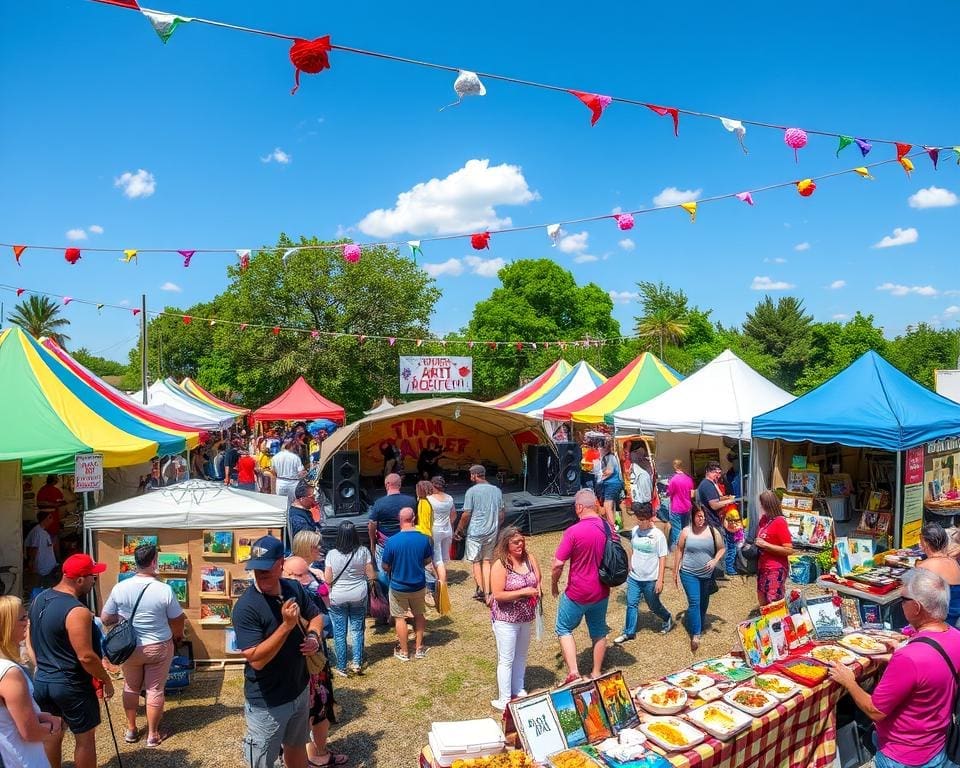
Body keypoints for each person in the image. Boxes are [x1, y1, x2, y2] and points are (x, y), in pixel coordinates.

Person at [829, 569, 960, 768]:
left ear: (916, 607)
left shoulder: (910, 658)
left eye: (903, 600)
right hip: (936, 745)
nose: (901, 605)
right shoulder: (955, 636)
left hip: (902, 754)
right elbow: (933, 674)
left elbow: (874, 711)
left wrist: (849, 681)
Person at [233, 535, 328, 768]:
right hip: (267, 701)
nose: (260, 574)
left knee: (296, 748)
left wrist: (314, 637)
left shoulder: (293, 587)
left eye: (266, 568)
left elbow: (316, 616)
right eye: (256, 569)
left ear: (281, 564)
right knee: (263, 759)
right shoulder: (246, 607)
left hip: (298, 689)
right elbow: (256, 660)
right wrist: (286, 626)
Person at [29, 553, 114, 768]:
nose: (95, 581)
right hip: (71, 684)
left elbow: (29, 638)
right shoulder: (77, 611)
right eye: (93, 577)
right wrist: (105, 678)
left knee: (52, 734)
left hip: (43, 681)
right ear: (79, 580)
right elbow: (85, 656)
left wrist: (41, 665)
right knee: (85, 740)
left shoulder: (40, 598)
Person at [100, 543, 184, 747]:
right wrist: (177, 636)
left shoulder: (120, 587)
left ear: (135, 562)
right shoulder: (164, 589)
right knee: (155, 689)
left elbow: (105, 618)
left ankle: (131, 729)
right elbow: (177, 618)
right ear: (154, 561)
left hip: (129, 647)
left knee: (131, 686)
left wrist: (122, 618)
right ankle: (153, 734)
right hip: (158, 645)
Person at [280, 556, 344, 767]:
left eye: (307, 573)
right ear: (285, 574)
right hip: (296, 670)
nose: (306, 579)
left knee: (322, 707)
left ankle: (319, 751)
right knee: (304, 713)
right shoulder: (281, 599)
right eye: (300, 575)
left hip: (317, 664)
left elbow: (325, 622)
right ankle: (310, 755)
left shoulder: (310, 592)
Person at [551, 488, 613, 684]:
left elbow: (558, 564)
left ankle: (574, 672)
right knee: (599, 631)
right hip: (601, 591)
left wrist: (554, 584)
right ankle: (596, 672)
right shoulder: (608, 528)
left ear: (579, 507)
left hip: (577, 592)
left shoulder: (573, 531)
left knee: (563, 628)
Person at [0, 595, 60, 768]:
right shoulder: (10, 673)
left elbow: (7, 714)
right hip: (21, 758)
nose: (28, 622)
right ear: (6, 625)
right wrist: (52, 726)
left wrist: (39, 716)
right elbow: (30, 733)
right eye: (22, 618)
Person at [489, 527, 541, 710]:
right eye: (516, 542)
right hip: (506, 619)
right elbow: (497, 594)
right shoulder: (501, 565)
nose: (520, 544)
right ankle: (504, 699)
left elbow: (537, 578)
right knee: (507, 658)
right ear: (506, 544)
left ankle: (518, 689)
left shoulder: (529, 558)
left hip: (526, 616)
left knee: (521, 655)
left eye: (522, 541)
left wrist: (537, 590)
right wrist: (523, 592)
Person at [380, 508, 434, 662]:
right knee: (419, 615)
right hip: (418, 585)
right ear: (414, 518)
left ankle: (404, 652)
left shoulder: (392, 541)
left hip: (398, 586)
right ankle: (418, 648)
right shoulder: (424, 539)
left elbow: (385, 566)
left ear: (399, 519)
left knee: (399, 618)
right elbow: (427, 561)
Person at [613, 504, 672, 644]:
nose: (639, 522)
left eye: (642, 519)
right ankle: (629, 632)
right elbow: (633, 548)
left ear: (649, 518)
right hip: (634, 577)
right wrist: (630, 564)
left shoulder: (658, 535)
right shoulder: (635, 531)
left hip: (650, 578)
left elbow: (662, 558)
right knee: (631, 603)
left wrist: (660, 580)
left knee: (653, 605)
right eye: (638, 519)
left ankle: (667, 617)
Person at [325, 523, 374, 676]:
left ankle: (341, 666)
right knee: (357, 629)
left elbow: (328, 578)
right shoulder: (363, 551)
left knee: (340, 633)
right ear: (355, 535)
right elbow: (371, 575)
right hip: (358, 594)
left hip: (338, 596)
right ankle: (357, 663)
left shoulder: (332, 554)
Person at [674, 503, 725, 652]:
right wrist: (675, 570)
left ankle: (698, 623)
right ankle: (696, 635)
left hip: (707, 575)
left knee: (703, 602)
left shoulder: (712, 531)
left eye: (703, 516)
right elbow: (679, 550)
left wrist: (715, 560)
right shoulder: (686, 532)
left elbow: (721, 549)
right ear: (693, 516)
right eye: (698, 516)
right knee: (695, 602)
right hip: (688, 573)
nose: (701, 519)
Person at [455, 465, 505, 603]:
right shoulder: (496, 490)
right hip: (492, 530)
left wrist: (459, 528)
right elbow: (501, 513)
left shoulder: (471, 491)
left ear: (474, 475)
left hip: (475, 532)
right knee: (487, 561)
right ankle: (488, 591)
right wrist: (497, 527)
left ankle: (484, 592)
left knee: (476, 562)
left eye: (471, 475)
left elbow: (466, 514)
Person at [367, 474, 417, 586]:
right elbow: (415, 520)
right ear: (400, 485)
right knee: (405, 568)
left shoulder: (379, 503)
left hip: (384, 543)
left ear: (386, 485)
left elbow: (372, 524)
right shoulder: (411, 501)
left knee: (384, 571)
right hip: (405, 541)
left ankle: (389, 593)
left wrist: (372, 543)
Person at [696, 461, 737, 576]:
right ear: (708, 472)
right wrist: (729, 501)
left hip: (711, 521)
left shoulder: (710, 484)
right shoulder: (707, 485)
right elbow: (714, 505)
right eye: (716, 473)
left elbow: (716, 499)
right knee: (718, 547)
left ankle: (715, 572)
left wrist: (725, 498)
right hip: (711, 522)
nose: (718, 475)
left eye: (719, 473)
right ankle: (716, 573)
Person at [754, 491, 794, 607]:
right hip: (763, 566)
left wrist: (766, 545)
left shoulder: (780, 522)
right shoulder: (764, 519)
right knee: (762, 598)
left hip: (776, 567)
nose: (761, 506)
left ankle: (777, 623)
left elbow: (789, 550)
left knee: (773, 601)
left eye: (762, 504)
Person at [916, 522, 960, 627]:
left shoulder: (926, 565)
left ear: (925, 544)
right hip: (954, 613)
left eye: (920, 541)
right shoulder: (953, 562)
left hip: (940, 617)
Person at [428, 476, 456, 587]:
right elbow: (453, 514)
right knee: (444, 557)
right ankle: (442, 577)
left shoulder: (429, 499)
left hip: (435, 529)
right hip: (447, 529)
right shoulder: (449, 498)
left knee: (436, 558)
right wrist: (450, 524)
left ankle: (440, 582)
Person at [24, 511, 59, 590]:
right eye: (50, 518)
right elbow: (34, 548)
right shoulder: (37, 532)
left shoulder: (43, 532)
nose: (52, 520)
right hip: (42, 568)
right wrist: (31, 563)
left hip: (48, 567)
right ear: (45, 519)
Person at [666, 459, 695, 550]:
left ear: (674, 466)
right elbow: (692, 493)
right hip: (687, 507)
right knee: (686, 528)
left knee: (677, 530)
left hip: (676, 507)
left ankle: (676, 550)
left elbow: (669, 492)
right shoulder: (689, 478)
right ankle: (687, 548)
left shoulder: (673, 480)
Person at [597, 440, 624, 529]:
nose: (598, 449)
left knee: (607, 506)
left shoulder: (610, 457)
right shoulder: (606, 457)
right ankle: (615, 526)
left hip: (612, 484)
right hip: (611, 484)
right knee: (613, 506)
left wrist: (599, 476)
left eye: (600, 447)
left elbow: (609, 471)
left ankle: (612, 529)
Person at [272, 439, 306, 504]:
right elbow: (301, 472)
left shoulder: (275, 457)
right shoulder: (295, 457)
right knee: (293, 504)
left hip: (280, 483)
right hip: (293, 484)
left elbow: (273, 472)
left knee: (281, 504)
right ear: (290, 446)